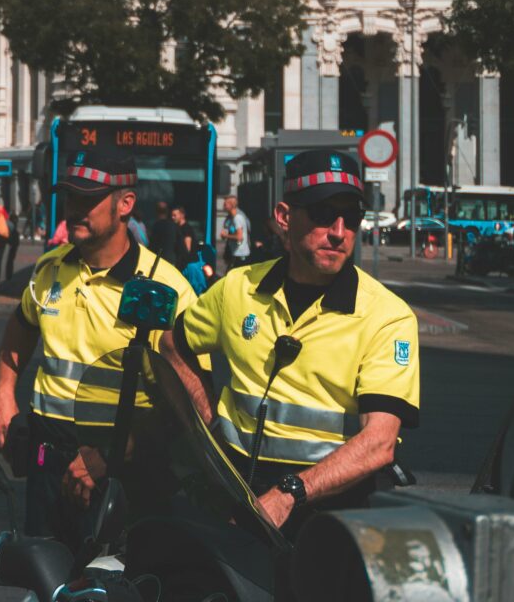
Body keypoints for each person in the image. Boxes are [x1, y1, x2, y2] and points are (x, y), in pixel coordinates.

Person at [161, 149, 420, 535]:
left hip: (331, 514)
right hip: (233, 501)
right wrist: (208, 419)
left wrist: (289, 493)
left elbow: (380, 442)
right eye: (322, 214)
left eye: (351, 218)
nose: (339, 231)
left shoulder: (387, 316)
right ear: (284, 217)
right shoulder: (238, 288)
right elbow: (171, 344)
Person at [0, 148, 198, 550]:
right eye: (71, 197)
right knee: (44, 574)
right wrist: (3, 390)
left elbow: (186, 405)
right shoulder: (50, 268)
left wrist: (112, 454)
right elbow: (22, 324)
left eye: (89, 199)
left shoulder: (165, 288)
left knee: (115, 577)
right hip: (47, 465)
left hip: (123, 472)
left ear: (126, 204)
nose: (74, 209)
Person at [219, 195, 252, 273]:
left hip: (241, 254)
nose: (223, 206)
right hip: (233, 252)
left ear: (232, 205)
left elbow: (239, 237)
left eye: (225, 204)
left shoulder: (238, 218)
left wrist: (226, 235)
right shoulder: (229, 218)